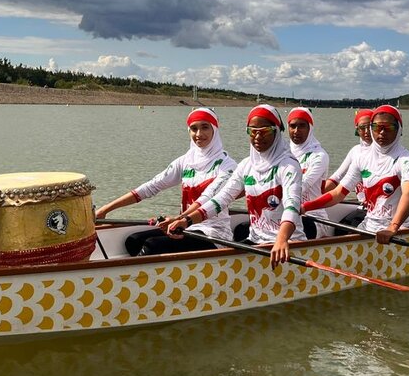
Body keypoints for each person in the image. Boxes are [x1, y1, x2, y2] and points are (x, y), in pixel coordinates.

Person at [166, 105, 304, 266]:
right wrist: (187, 221)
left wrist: (281, 239)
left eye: (264, 131)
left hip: (289, 242)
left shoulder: (289, 165)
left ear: (276, 131)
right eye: (252, 131)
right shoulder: (246, 165)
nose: (258, 137)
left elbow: (292, 206)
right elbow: (221, 200)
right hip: (256, 240)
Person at [95, 107, 236, 256]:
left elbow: (206, 199)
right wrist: (106, 210)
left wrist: (180, 219)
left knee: (151, 246)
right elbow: (151, 186)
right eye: (194, 129)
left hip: (213, 234)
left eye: (205, 127)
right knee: (133, 241)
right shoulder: (185, 161)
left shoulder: (227, 166)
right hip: (184, 227)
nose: (199, 134)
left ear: (215, 129)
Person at [303, 105, 409, 243]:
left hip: (402, 227)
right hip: (370, 224)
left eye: (389, 127)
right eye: (377, 127)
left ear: (399, 129)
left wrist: (393, 227)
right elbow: (339, 193)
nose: (382, 132)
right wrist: (305, 207)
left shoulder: (407, 160)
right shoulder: (362, 158)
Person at [322, 108, 373, 229]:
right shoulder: (355, 151)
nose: (366, 132)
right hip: (362, 207)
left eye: (370, 127)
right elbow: (337, 178)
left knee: (346, 229)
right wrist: (310, 197)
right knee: (340, 229)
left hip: (378, 211)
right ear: (357, 130)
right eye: (362, 128)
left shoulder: (386, 153)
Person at [287, 107, 330, 239]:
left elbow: (302, 185)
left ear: (310, 128)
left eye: (302, 126)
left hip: (313, 217)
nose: (296, 131)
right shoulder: (282, 153)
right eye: (292, 126)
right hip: (285, 214)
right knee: (242, 229)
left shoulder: (319, 156)